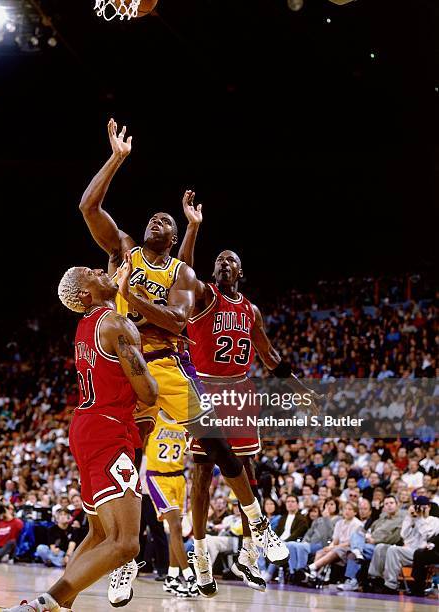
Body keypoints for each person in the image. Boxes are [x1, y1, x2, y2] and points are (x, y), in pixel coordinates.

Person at [79, 120, 290, 600]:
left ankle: (258, 526)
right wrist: (116, 159)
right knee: (124, 457)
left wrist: (134, 296)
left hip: (165, 362)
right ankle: (124, 556)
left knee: (213, 440)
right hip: (124, 365)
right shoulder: (124, 250)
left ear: (173, 237)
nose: (157, 220)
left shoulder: (182, 273)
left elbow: (176, 324)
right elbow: (88, 207)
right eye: (153, 217)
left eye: (166, 221)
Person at [177, 192, 320, 594]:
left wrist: (301, 390)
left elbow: (270, 356)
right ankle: (201, 553)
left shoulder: (251, 311)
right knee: (202, 473)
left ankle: (249, 553)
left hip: (240, 391)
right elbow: (183, 270)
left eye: (231, 260)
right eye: (219, 259)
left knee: (247, 471)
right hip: (206, 390)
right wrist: (193, 226)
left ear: (241, 270)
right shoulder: (204, 295)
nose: (224, 263)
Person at [2, 264, 158, 612]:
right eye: (93, 272)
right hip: (108, 430)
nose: (102, 271)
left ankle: (61, 607)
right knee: (125, 543)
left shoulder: (87, 324)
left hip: (87, 427)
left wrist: (121, 286)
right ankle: (40, 606)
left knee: (100, 534)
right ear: (87, 294)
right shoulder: (117, 324)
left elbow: (109, 301)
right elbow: (147, 392)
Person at [144, 413, 197, 597]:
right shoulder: (153, 417)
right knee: (174, 526)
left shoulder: (185, 422)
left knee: (177, 530)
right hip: (157, 477)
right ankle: (189, 576)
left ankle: (172, 577)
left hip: (179, 479)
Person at [367, 496, 439, 594]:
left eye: (424, 507)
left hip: (421, 553)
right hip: (408, 549)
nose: (421, 509)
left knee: (393, 550)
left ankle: (391, 585)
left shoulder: (435, 521)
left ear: (429, 507)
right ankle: (375, 579)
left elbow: (427, 535)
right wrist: (409, 518)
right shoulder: (413, 517)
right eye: (418, 506)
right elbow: (403, 535)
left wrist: (420, 519)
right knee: (380, 547)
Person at [338, 494, 404, 591]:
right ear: (384, 507)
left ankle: (353, 579)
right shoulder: (381, 519)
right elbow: (368, 530)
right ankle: (357, 553)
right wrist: (366, 536)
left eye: (391, 503)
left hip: (382, 547)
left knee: (353, 552)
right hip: (368, 544)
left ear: (397, 505)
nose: (389, 505)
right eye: (386, 504)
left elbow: (394, 539)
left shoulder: (401, 521)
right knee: (356, 533)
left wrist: (374, 540)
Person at [306, 502, 363, 580]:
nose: (347, 511)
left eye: (350, 509)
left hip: (349, 548)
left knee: (335, 551)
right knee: (320, 552)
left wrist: (334, 547)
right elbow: (335, 540)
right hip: (338, 547)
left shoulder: (357, 524)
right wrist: (330, 546)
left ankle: (311, 567)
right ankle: (314, 575)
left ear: (355, 512)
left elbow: (350, 542)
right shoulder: (339, 523)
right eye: (345, 509)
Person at [286, 500, 340, 583]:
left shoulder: (338, 520)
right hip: (310, 543)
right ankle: (293, 572)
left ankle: (302, 573)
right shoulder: (318, 520)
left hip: (323, 544)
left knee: (301, 547)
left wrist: (327, 519)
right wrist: (305, 541)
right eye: (327, 504)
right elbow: (309, 533)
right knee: (289, 545)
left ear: (336, 507)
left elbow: (332, 534)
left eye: (332, 504)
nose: (329, 506)